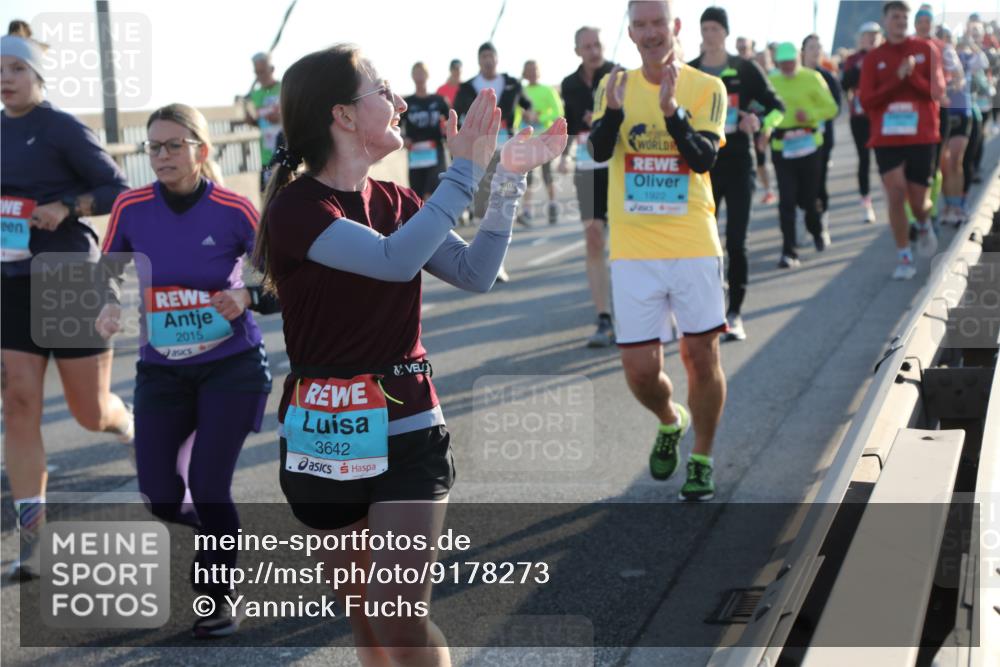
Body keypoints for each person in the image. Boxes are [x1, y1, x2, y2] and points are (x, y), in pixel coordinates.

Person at [252, 45, 566, 664]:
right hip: (323, 433)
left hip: (408, 426)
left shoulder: (398, 203)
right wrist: (460, 175)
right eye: (384, 92)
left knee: (399, 620)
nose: (399, 103)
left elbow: (475, 272)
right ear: (343, 115)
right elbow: (392, 263)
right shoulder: (297, 209)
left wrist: (506, 182)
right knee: (366, 618)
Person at [96, 103, 277, 637]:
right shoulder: (131, 207)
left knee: (208, 481)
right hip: (163, 370)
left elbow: (279, 278)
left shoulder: (233, 209)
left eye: (174, 145)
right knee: (160, 495)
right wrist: (106, 302)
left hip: (231, 366)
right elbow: (106, 273)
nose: (162, 155)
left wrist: (245, 295)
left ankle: (215, 596)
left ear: (201, 150)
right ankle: (219, 534)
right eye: (154, 146)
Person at [1, 34, 134, 579]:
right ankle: (34, 536)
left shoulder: (60, 128)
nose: (5, 77)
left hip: (68, 277)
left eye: (15, 67)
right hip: (9, 279)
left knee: (88, 412)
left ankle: (129, 426)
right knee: (18, 401)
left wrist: (66, 205)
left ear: (38, 76)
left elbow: (117, 188)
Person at [589, 0, 728, 501]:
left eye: (658, 23)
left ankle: (702, 457)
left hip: (691, 241)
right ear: (630, 32)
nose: (650, 33)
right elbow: (600, 152)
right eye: (641, 25)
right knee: (641, 370)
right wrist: (614, 112)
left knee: (699, 355)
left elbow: (703, 157)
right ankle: (671, 420)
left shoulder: (707, 86)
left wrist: (672, 113)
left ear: (675, 27)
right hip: (633, 248)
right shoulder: (615, 84)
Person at [690, 7, 785, 342]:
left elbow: (776, 106)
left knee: (737, 242)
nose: (709, 34)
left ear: (726, 33)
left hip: (740, 162)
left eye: (715, 28)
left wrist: (758, 121)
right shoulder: (691, 71)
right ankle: (710, 307)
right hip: (702, 168)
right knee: (704, 242)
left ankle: (735, 312)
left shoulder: (745, 69)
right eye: (705, 28)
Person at [860, 0, 946, 280]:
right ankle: (904, 255)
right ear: (885, 21)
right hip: (887, 138)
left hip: (922, 135)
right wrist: (897, 79)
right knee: (895, 195)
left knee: (918, 201)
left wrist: (912, 78)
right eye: (894, 16)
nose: (899, 21)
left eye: (903, 16)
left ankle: (923, 223)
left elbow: (937, 91)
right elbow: (867, 100)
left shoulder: (925, 49)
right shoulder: (874, 57)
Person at [560, 26, 617, 348]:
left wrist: (602, 117)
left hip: (617, 163)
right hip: (586, 166)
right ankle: (603, 317)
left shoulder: (618, 75)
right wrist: (565, 155)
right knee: (594, 236)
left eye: (598, 44)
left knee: (623, 237)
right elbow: (568, 122)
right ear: (577, 51)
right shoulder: (569, 84)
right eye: (587, 46)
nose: (594, 51)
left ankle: (636, 305)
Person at [768, 42, 838, 268]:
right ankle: (789, 251)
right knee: (786, 200)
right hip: (782, 147)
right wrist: (768, 125)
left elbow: (832, 108)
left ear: (798, 58)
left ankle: (816, 230)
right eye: (783, 63)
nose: (788, 66)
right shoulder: (771, 81)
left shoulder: (812, 78)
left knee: (809, 198)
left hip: (809, 146)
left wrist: (808, 114)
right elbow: (763, 111)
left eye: (791, 61)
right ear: (778, 63)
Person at [453, 42, 535, 221]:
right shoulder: (468, 87)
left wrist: (529, 113)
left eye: (491, 56)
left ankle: (502, 212)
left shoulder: (511, 83)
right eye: (484, 57)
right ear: (478, 61)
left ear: (497, 58)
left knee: (506, 181)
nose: (488, 60)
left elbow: (527, 104)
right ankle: (485, 215)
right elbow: (456, 113)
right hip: (481, 144)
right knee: (485, 183)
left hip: (506, 142)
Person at [841, 22, 884, 224]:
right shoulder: (853, 59)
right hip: (860, 116)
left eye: (876, 34)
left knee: (886, 158)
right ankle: (866, 203)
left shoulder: (886, 55)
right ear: (861, 38)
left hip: (883, 116)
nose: (872, 38)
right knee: (864, 159)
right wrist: (860, 66)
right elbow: (845, 83)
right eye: (868, 35)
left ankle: (892, 198)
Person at [802, 34, 843, 229]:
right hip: (798, 139)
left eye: (819, 47)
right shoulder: (794, 77)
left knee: (819, 181)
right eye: (811, 47)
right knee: (800, 184)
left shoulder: (827, 77)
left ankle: (822, 218)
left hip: (822, 138)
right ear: (803, 52)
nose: (816, 51)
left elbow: (836, 108)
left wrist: (812, 114)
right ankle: (805, 219)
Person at [518, 60, 564, 226]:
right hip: (528, 139)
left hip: (545, 137)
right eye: (528, 70)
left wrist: (540, 118)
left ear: (539, 71)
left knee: (547, 173)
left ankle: (552, 206)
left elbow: (559, 112)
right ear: (524, 72)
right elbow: (516, 113)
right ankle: (527, 211)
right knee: (527, 175)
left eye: (534, 69)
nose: (531, 73)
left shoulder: (548, 90)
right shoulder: (521, 91)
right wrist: (519, 125)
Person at [936, 26, 972, 226]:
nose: (944, 41)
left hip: (960, 112)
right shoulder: (933, 59)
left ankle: (958, 206)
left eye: (947, 37)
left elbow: (961, 77)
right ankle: (947, 206)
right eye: (941, 38)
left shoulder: (960, 57)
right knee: (942, 164)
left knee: (955, 161)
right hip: (941, 115)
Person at [402, 62, 450, 201]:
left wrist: (447, 129)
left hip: (436, 151)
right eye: (416, 72)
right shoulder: (407, 103)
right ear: (412, 76)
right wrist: (403, 139)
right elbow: (396, 126)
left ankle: (437, 221)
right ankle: (422, 221)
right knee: (418, 195)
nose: (419, 76)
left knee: (435, 191)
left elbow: (452, 123)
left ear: (428, 75)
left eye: (422, 72)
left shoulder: (439, 100)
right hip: (416, 153)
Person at [244, 52, 282, 191]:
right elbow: (258, 122)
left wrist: (281, 118)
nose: (260, 76)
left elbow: (295, 115)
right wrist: (250, 119)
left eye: (263, 71)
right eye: (257, 72)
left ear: (272, 69)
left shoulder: (284, 88)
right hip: (266, 157)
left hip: (285, 153)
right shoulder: (255, 95)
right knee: (266, 197)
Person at [753, 47, 778, 205]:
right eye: (758, 58)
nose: (761, 61)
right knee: (760, 159)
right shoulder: (752, 76)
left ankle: (780, 182)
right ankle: (769, 189)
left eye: (764, 57)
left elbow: (780, 104)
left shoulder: (776, 75)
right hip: (758, 122)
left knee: (777, 157)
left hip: (777, 122)